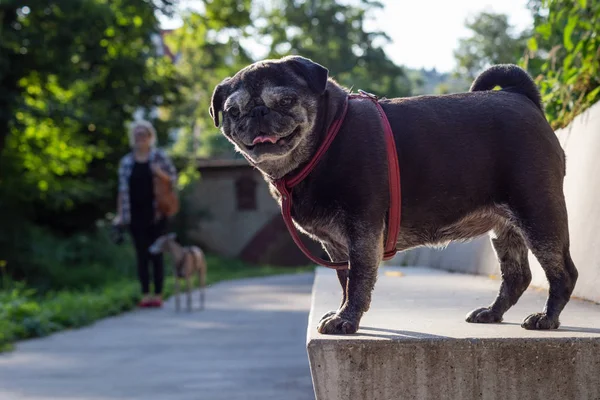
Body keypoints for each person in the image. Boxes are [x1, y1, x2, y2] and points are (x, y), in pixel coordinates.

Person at [115, 120, 177, 308]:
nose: (140, 138)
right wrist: (119, 215)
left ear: (150, 137)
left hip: (157, 214)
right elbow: (122, 190)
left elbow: (173, 178)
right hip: (134, 214)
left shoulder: (159, 157)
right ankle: (145, 294)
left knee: (156, 254)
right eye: (137, 135)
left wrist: (160, 173)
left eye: (143, 134)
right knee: (141, 255)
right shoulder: (126, 161)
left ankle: (158, 294)